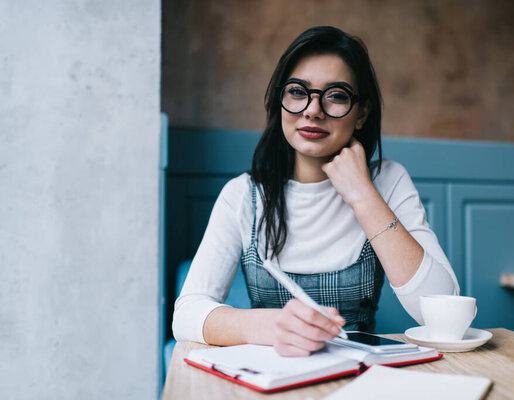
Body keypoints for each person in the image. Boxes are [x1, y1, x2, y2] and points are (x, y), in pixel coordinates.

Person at [172, 26, 459, 357]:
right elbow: (186, 314)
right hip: (270, 383)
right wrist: (269, 326)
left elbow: (444, 309)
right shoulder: (242, 195)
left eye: (336, 95)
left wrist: (362, 194)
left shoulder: (388, 181)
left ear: (362, 112)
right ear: (279, 100)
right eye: (297, 91)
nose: (312, 110)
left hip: (364, 381)